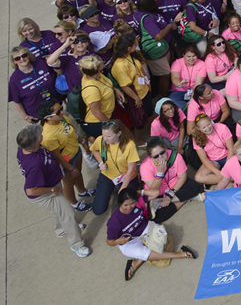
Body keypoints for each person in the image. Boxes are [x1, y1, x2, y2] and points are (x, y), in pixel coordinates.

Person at [16, 123, 92, 258]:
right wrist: (51, 189)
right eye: (40, 136)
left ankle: (61, 230)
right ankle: (77, 244)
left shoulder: (24, 147)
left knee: (56, 209)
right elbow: (31, 191)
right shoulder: (35, 165)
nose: (42, 136)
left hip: (51, 183)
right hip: (45, 193)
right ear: (34, 143)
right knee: (68, 213)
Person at [107, 187, 197, 281]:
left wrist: (134, 192)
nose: (129, 207)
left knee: (161, 240)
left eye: (132, 203)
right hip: (128, 242)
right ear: (120, 203)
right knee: (145, 252)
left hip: (145, 229)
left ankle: (137, 263)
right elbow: (109, 241)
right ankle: (179, 254)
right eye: (125, 205)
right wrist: (118, 241)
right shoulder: (114, 221)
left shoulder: (138, 202)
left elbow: (155, 193)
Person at [139, 137, 204, 223]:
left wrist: (169, 196)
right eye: (156, 156)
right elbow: (153, 190)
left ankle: (163, 203)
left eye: (162, 153)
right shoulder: (145, 166)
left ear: (165, 149)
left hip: (175, 186)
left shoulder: (175, 156)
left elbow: (182, 177)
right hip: (158, 192)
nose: (161, 157)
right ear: (150, 157)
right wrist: (159, 174)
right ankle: (188, 198)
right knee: (156, 218)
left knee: (195, 186)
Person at [89, 119, 140, 216]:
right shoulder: (100, 140)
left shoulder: (129, 145)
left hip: (127, 177)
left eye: (109, 136)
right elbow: (94, 150)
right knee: (98, 210)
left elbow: (130, 170)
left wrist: (123, 188)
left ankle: (119, 188)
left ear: (119, 133)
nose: (105, 139)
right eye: (103, 135)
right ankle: (112, 188)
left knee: (130, 209)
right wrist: (100, 163)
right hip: (108, 175)